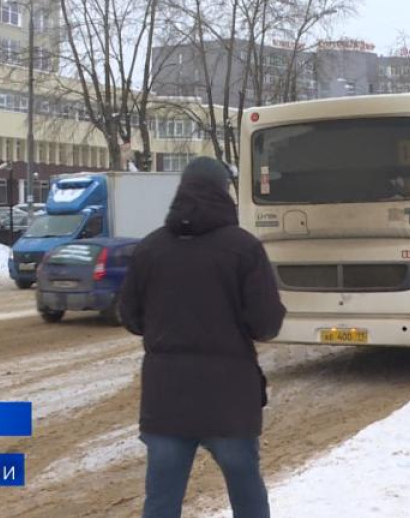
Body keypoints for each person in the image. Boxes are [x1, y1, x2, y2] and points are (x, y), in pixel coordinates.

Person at [119, 156, 287, 518]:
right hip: (229, 398)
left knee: (161, 501)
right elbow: (266, 324)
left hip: (166, 397)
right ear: (224, 191)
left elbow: (130, 317)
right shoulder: (244, 248)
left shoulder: (149, 248)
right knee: (247, 496)